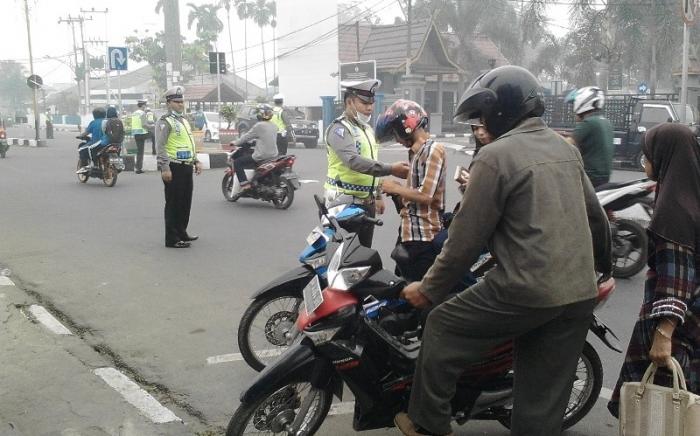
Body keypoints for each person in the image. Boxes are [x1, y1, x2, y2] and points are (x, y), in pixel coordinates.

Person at [394, 66, 612, 436]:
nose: (480, 126)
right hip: (578, 291)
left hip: (526, 289)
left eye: (482, 116)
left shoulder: (494, 156)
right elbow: (597, 219)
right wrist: (603, 271)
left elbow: (463, 242)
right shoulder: (565, 147)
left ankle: (429, 423)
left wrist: (428, 289)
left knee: (442, 325)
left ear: (501, 111)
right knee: (541, 405)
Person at [607, 123, 700, 417]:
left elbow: (677, 276)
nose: (645, 162)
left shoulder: (674, 209)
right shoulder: (690, 193)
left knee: (661, 412)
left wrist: (664, 333)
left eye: (648, 156)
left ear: (663, 156)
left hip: (676, 328)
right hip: (692, 320)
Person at [324, 79, 409, 247]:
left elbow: (372, 163)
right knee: (343, 253)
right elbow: (353, 161)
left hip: (366, 202)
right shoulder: (340, 129)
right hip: (344, 202)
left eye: (371, 103)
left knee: (363, 252)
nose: (369, 107)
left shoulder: (367, 130)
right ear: (349, 102)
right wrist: (391, 169)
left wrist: (377, 195)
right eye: (364, 103)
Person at [375, 99, 446, 282]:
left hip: (424, 237)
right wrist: (398, 192)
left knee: (418, 292)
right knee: (402, 287)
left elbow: (426, 195)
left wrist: (395, 187)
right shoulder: (416, 153)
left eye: (395, 134)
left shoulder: (433, 150)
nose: (397, 140)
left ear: (405, 127)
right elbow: (412, 201)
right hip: (410, 234)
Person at [155, 87, 203, 249]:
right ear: (169, 103)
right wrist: (165, 168)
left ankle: (182, 232)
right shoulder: (165, 121)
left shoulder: (183, 120)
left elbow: (188, 143)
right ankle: (172, 238)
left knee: (185, 202)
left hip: (186, 166)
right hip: (174, 167)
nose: (181, 104)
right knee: (173, 203)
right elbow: (160, 146)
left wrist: (196, 161)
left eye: (182, 101)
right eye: (177, 102)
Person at [565, 86, 614, 188]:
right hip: (603, 177)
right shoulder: (604, 121)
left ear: (582, 102)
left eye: (573, 104)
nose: (573, 110)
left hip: (590, 177)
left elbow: (565, 144)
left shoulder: (588, 123)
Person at [231, 104, 279, 189]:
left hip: (262, 155)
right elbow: (266, 138)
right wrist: (255, 141)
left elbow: (246, 137)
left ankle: (244, 184)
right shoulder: (274, 126)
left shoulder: (259, 125)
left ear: (260, 114)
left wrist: (235, 143)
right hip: (273, 155)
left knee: (237, 162)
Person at [76, 107, 106, 174]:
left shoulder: (93, 122)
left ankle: (84, 166)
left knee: (81, 149)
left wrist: (80, 136)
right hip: (107, 143)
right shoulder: (107, 121)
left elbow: (86, 133)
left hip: (96, 143)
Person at [131, 99, 150, 174]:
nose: (145, 106)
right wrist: (151, 127)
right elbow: (144, 125)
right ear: (143, 105)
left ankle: (137, 166)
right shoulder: (142, 113)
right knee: (140, 152)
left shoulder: (134, 113)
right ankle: (138, 168)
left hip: (136, 133)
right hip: (142, 133)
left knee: (138, 151)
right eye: (145, 105)